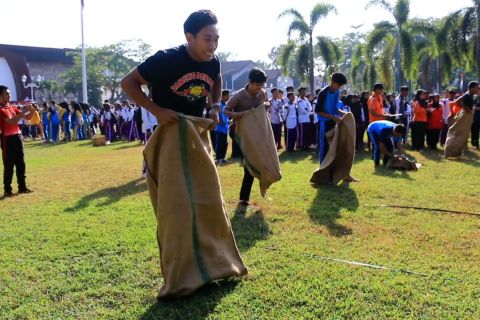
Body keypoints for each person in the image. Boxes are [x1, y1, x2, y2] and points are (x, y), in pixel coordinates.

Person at [121, 10, 246, 298]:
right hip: (169, 137)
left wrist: (214, 106)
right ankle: (181, 277)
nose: (212, 45)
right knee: (177, 210)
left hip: (197, 136)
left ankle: (216, 267)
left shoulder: (212, 61)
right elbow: (128, 83)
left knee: (209, 202)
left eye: (216, 39)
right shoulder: (166, 59)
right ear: (188, 37)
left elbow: (215, 82)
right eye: (206, 39)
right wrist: (157, 110)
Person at [224, 68, 268, 206]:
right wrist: (236, 115)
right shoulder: (238, 96)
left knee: (260, 163)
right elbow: (225, 110)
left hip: (257, 133)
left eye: (261, 85)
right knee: (248, 164)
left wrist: (266, 106)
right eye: (257, 85)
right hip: (240, 133)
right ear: (250, 82)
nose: (259, 88)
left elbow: (263, 108)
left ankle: (260, 188)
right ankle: (244, 198)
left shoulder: (262, 94)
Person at [0, 86, 34, 197]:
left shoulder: (12, 107)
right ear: (0, 95)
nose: (9, 95)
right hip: (7, 140)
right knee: (9, 165)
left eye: (9, 93)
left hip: (17, 137)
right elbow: (12, 121)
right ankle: (7, 190)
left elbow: (28, 117)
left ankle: (22, 187)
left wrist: (32, 110)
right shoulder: (1, 110)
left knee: (21, 164)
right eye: (6, 94)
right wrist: (23, 111)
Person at [315, 72, 348, 162]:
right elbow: (318, 111)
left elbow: (335, 109)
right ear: (333, 82)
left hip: (332, 122)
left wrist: (344, 114)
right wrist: (333, 117)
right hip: (323, 123)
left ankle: (330, 168)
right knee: (324, 147)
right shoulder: (323, 93)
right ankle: (322, 170)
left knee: (332, 147)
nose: (339, 87)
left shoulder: (337, 92)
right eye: (339, 85)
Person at [214, 90, 230, 164]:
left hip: (225, 128)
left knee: (225, 143)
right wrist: (220, 121)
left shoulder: (226, 104)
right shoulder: (219, 104)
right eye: (227, 96)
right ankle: (218, 158)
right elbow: (218, 114)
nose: (228, 97)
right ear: (222, 96)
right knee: (220, 143)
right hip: (219, 128)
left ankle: (222, 158)